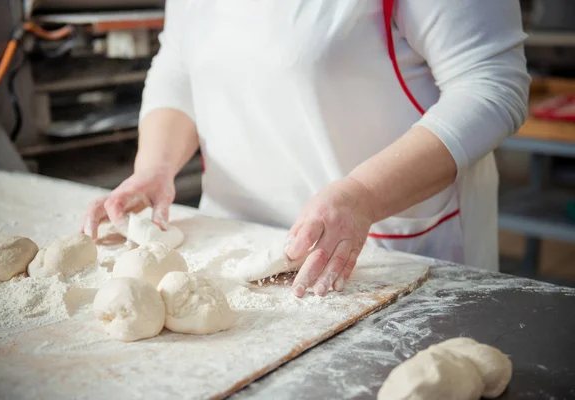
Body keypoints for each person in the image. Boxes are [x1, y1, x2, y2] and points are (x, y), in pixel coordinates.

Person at [83, 0, 530, 298]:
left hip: (385, 255)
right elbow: (180, 65)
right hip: (230, 252)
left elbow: (491, 84)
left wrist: (364, 195)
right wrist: (155, 168)